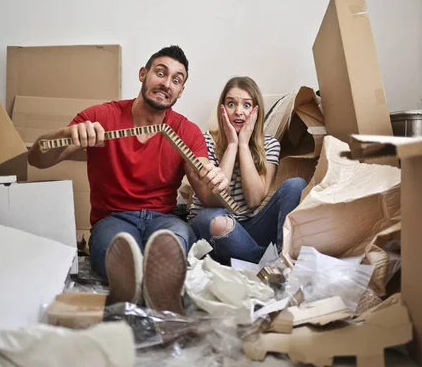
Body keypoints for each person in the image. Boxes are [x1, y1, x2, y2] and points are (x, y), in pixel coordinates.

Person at [28, 46, 229, 314]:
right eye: (160, 72)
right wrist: (68, 133)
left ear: (180, 92)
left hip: (163, 218)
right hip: (113, 218)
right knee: (118, 248)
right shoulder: (101, 117)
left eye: (176, 80)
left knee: (177, 236)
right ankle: (138, 288)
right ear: (143, 74)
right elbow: (37, 159)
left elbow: (206, 196)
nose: (166, 83)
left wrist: (215, 179)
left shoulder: (187, 131)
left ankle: (162, 285)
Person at [187, 76, 307, 264]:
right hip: (212, 227)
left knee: (296, 185)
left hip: (247, 229)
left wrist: (243, 145)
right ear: (222, 109)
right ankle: (268, 262)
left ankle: (280, 257)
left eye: (247, 105)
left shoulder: (269, 144)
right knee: (215, 219)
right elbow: (212, 199)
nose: (238, 112)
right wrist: (232, 145)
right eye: (231, 104)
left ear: (256, 111)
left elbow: (253, 200)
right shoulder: (204, 141)